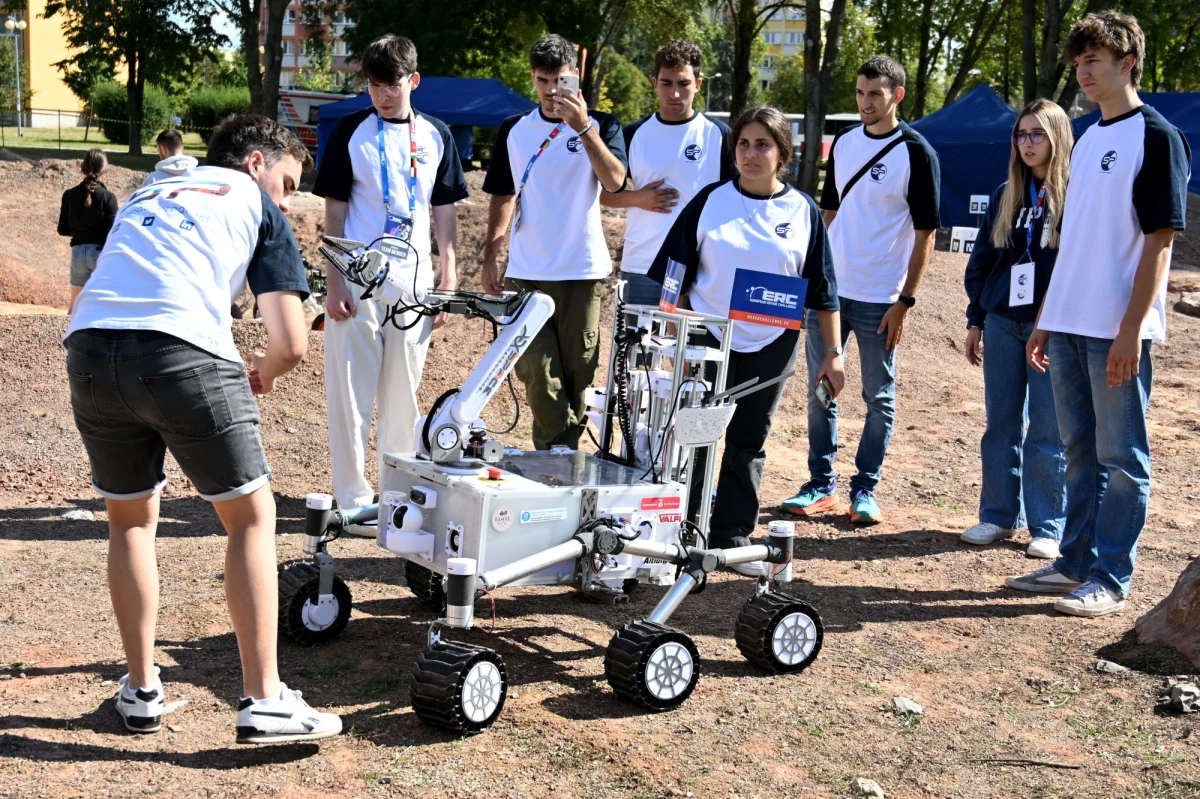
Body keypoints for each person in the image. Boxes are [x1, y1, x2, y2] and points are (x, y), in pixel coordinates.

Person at [64, 114, 341, 742]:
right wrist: (263, 373)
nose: (287, 198)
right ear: (254, 163)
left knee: (130, 520)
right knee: (250, 519)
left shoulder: (150, 190)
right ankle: (264, 698)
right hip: (180, 349)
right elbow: (292, 341)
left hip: (87, 348)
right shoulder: (254, 203)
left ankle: (140, 689)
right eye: (287, 181)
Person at [1007, 11, 1191, 617]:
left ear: (1127, 63)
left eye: (1095, 61)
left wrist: (1131, 330)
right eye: (1079, 62)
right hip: (1069, 324)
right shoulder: (1085, 139)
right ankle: (1074, 563)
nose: (1083, 72)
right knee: (1077, 449)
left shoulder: (1157, 137)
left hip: (1117, 329)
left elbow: (1160, 243)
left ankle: (1111, 577)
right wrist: (1047, 318)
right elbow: (1074, 240)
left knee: (1122, 455)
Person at [648, 106, 844, 576]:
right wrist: (673, 330)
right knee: (694, 436)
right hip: (708, 339)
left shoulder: (803, 211)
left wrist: (833, 355)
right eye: (743, 143)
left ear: (783, 154)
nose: (751, 153)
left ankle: (732, 535)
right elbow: (673, 275)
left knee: (747, 441)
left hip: (772, 342)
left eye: (762, 145)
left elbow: (823, 288)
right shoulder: (710, 200)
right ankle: (682, 535)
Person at [781, 55, 940, 525]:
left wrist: (905, 301)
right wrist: (812, 279)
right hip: (831, 294)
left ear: (897, 95)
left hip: (880, 297)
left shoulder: (916, 152)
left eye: (875, 93)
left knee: (879, 397)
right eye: (860, 93)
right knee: (820, 389)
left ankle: (865, 488)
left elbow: (926, 233)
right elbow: (828, 215)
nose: (866, 102)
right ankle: (820, 484)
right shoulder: (846, 144)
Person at [313, 34, 468, 511]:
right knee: (350, 394)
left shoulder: (438, 134)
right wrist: (334, 278)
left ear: (413, 80)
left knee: (404, 394)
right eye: (373, 85)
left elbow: (444, 210)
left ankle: (398, 491)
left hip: (414, 285)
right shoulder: (349, 131)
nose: (381, 94)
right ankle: (352, 497)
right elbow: (334, 209)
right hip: (358, 281)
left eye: (392, 84)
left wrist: (449, 275)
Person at [481, 34, 628, 450]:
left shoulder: (603, 125)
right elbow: (503, 194)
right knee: (536, 373)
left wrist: (583, 128)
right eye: (543, 80)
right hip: (527, 273)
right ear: (533, 79)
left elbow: (615, 182)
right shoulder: (515, 130)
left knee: (578, 377)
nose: (550, 91)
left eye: (559, 80)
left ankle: (557, 466)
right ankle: (562, 457)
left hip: (582, 271)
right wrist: (492, 252)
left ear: (575, 79)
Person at [959, 99, 1072, 560]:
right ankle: (1000, 515)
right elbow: (983, 261)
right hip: (1004, 322)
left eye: (1037, 134)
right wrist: (975, 319)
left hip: (1054, 326)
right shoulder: (1008, 193)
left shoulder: (1075, 196)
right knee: (1000, 422)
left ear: (1057, 137)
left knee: (1047, 427)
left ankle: (1047, 525)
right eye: (1020, 135)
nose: (1027, 143)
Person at [600, 40, 733, 306]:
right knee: (637, 348)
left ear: (698, 84)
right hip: (642, 266)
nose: (674, 93)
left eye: (683, 84)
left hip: (702, 270)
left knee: (688, 349)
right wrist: (638, 198)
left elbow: (735, 199)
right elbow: (603, 195)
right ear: (654, 83)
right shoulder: (632, 134)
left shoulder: (719, 135)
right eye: (666, 83)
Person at [57, 148, 118, 311]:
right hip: (99, 254)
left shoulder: (68, 194)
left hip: (77, 253)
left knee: (75, 308)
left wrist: (80, 230)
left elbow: (62, 229)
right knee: (103, 305)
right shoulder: (109, 198)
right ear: (105, 169)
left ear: (83, 167)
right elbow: (112, 234)